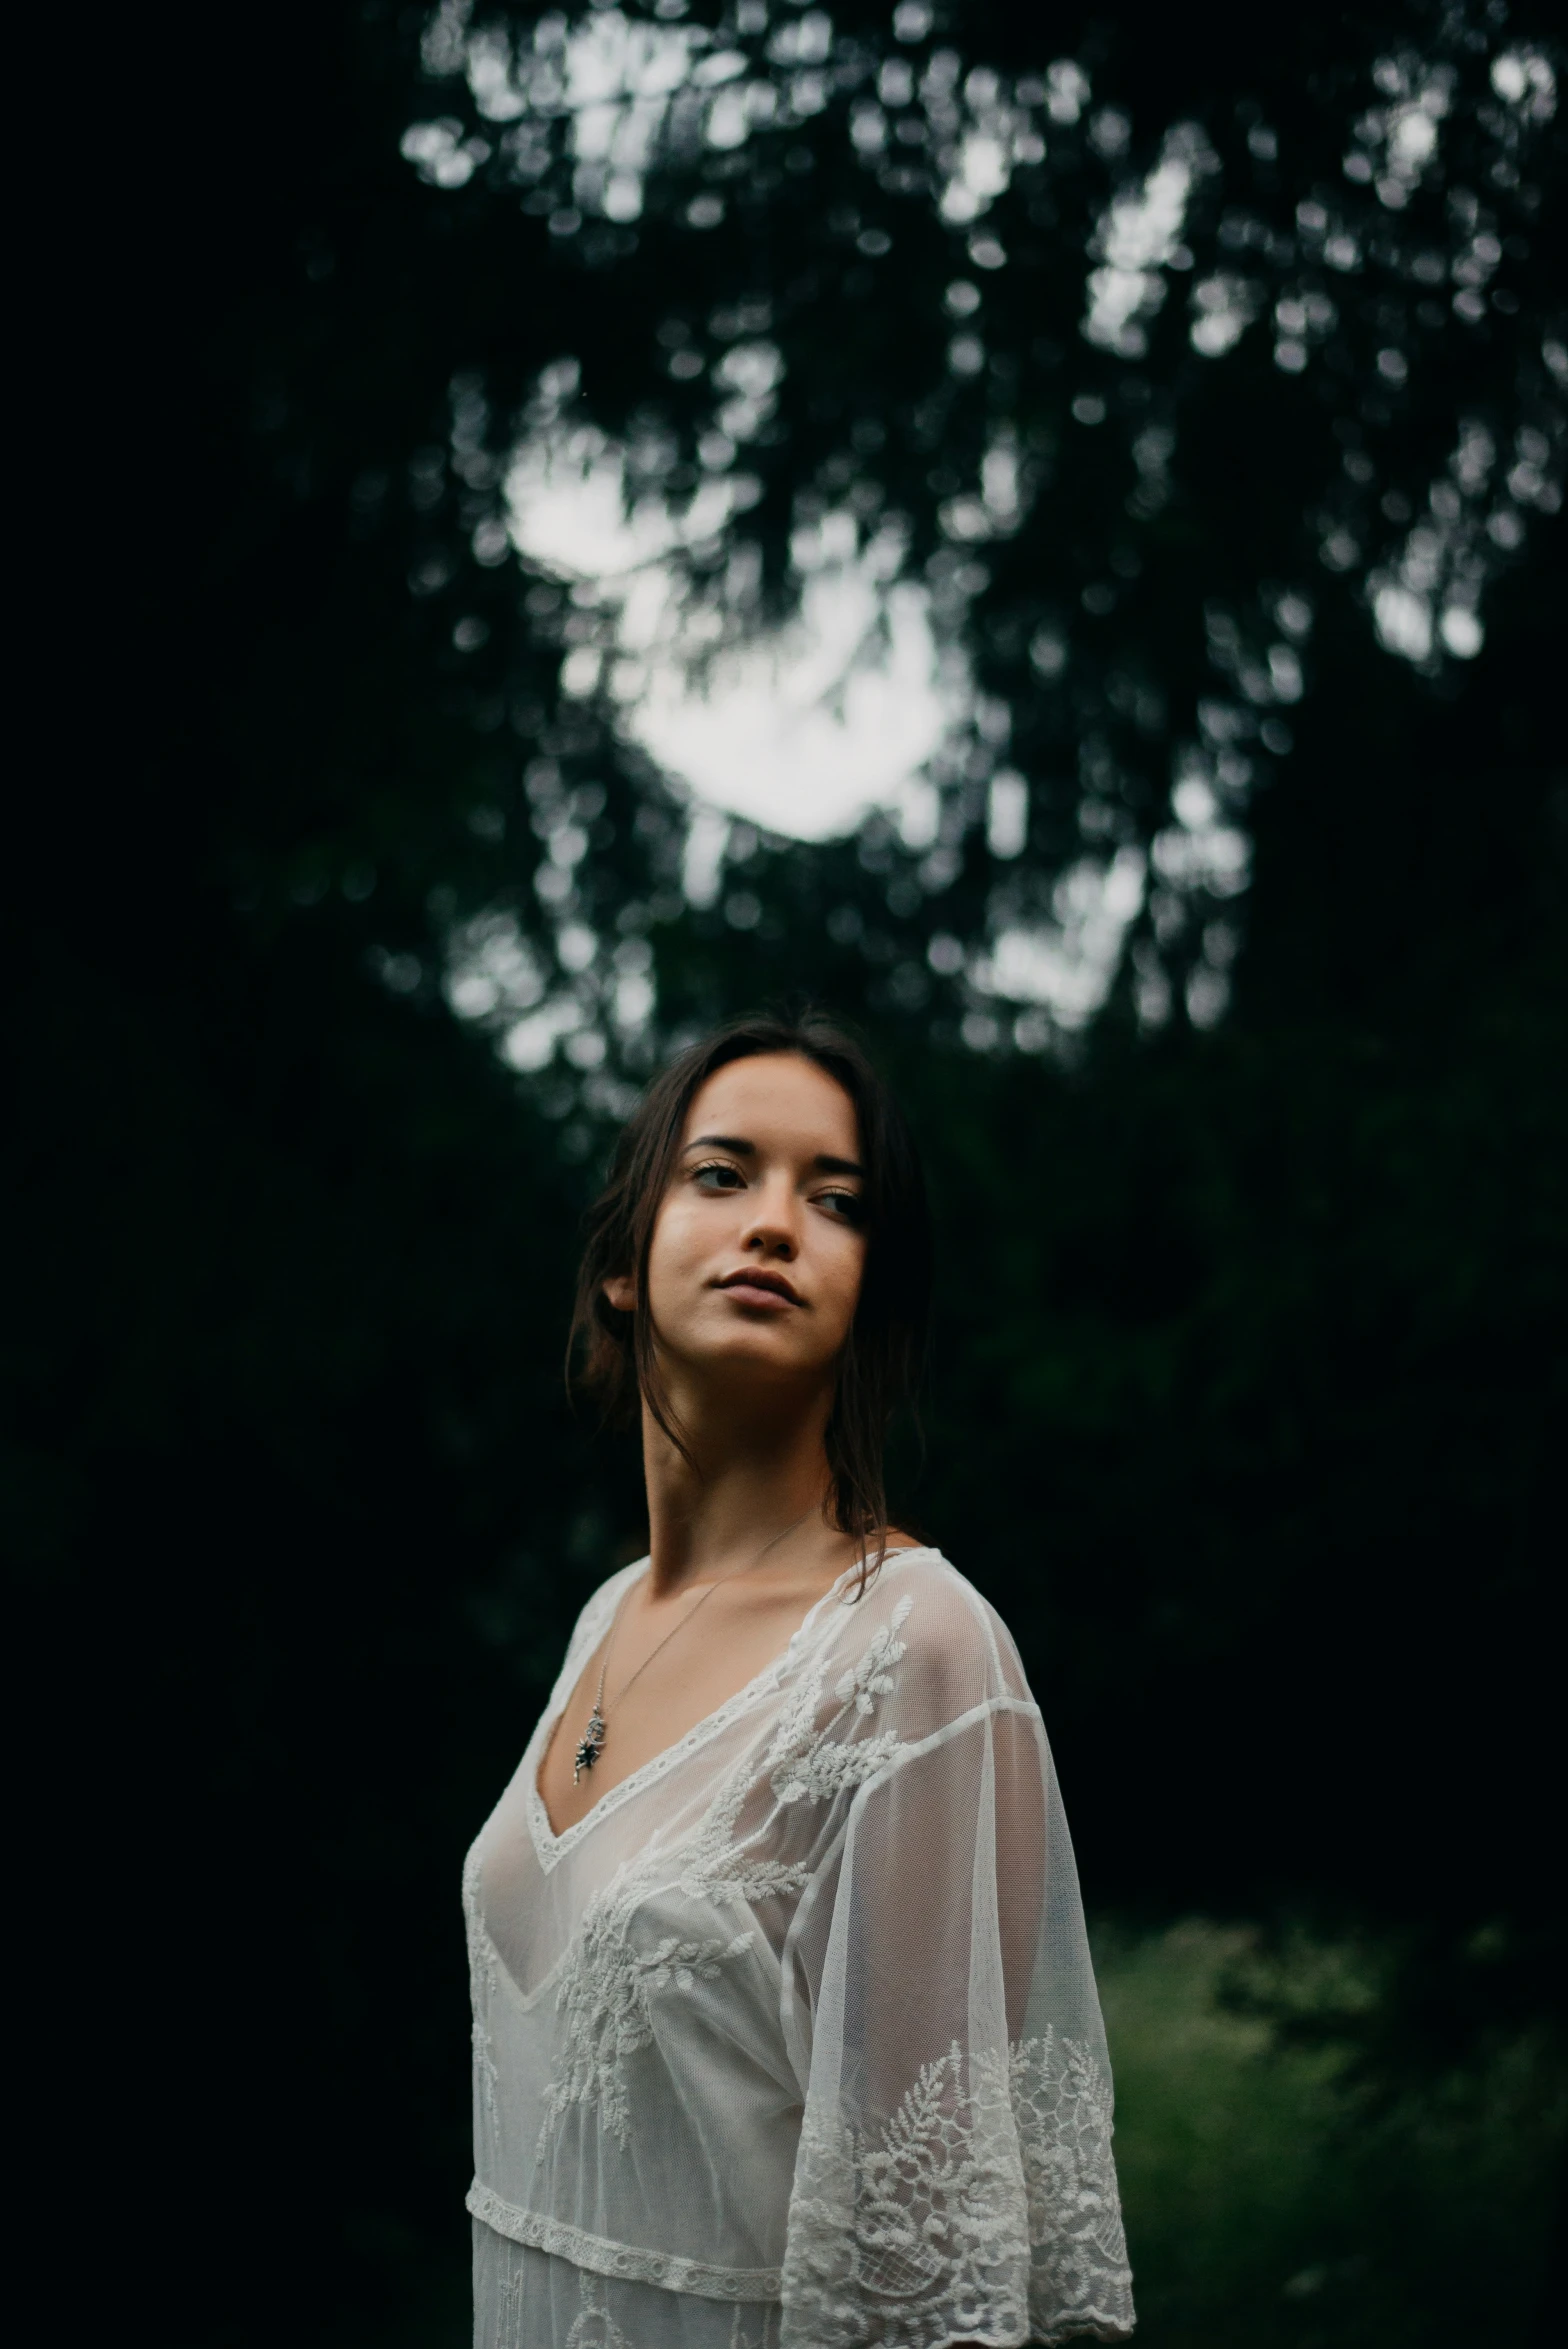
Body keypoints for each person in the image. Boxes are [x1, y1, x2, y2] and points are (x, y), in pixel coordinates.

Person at [464, 1012, 1134, 2349]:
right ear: (620, 1267)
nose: (776, 1222)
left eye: (835, 1201)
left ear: (871, 1289)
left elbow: (923, 2285)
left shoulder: (918, 1649)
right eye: (723, 1175)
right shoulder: (608, 1616)